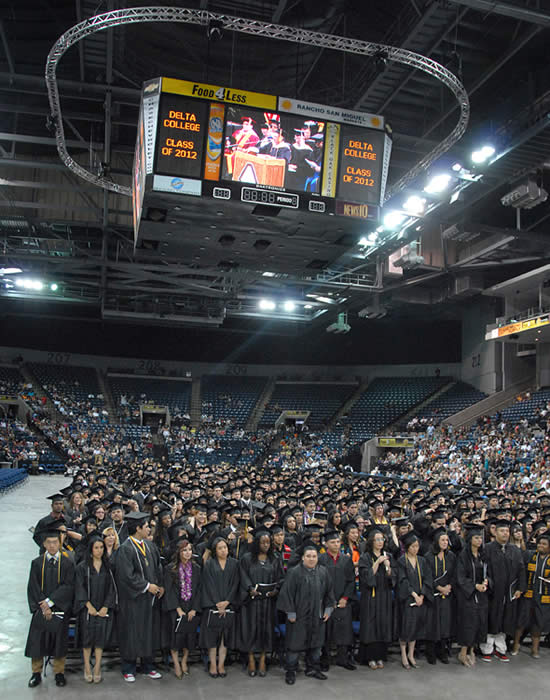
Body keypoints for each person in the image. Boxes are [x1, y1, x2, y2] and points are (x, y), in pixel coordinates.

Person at [115, 512, 164, 683]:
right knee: (132, 632)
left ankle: (148, 665)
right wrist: (146, 586)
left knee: (148, 632)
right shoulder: (125, 549)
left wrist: (160, 585)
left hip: (149, 599)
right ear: (138, 528)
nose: (149, 529)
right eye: (146, 526)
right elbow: (126, 576)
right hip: (133, 600)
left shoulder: (149, 546)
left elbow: (158, 566)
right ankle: (128, 668)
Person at [277, 543, 335, 685]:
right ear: (302, 558)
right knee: (294, 645)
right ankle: (291, 671)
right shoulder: (294, 572)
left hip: (317, 614)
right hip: (298, 616)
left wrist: (328, 609)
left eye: (314, 556)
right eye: (308, 556)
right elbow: (286, 594)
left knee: (316, 645)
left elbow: (330, 592)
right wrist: (290, 612)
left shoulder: (323, 572)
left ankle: (313, 668)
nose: (311, 559)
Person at [25, 527, 75, 688]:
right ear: (44, 544)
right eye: (49, 542)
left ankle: (59, 672)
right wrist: (43, 605)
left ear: (60, 543)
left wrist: (51, 602)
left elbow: (69, 586)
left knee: (60, 642)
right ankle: (36, 673)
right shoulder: (37, 563)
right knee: (37, 641)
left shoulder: (67, 563)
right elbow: (33, 586)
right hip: (41, 609)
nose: (52, 545)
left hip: (59, 608)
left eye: (55, 542)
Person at [239, 529, 284, 677]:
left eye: (268, 542)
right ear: (257, 543)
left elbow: (280, 578)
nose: (266, 545)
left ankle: (263, 659)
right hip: (251, 602)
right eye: (263, 542)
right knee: (250, 630)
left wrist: (275, 590)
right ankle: (251, 659)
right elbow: (243, 576)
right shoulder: (246, 558)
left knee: (266, 631)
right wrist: (249, 588)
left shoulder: (275, 559)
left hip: (267, 602)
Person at [481, 519, 526, 662]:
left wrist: (520, 588)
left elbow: (521, 570)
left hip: (509, 592)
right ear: (495, 532)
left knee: (505, 620)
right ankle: (487, 649)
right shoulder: (487, 548)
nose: (505, 533)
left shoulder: (515, 550)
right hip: (493, 592)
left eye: (507, 531)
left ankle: (501, 649)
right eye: (502, 531)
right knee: (491, 620)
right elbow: (483, 569)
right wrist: (488, 583)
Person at [74, 535, 117, 683]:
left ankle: (97, 666)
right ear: (91, 550)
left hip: (103, 608)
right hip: (88, 609)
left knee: (100, 639)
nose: (99, 550)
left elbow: (112, 588)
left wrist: (106, 606)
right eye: (96, 548)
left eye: (101, 548)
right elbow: (79, 587)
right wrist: (88, 605)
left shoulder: (108, 567)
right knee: (87, 640)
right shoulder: (82, 567)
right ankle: (87, 666)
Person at [200, 536, 240, 678]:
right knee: (212, 637)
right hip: (212, 605)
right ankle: (212, 664)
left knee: (225, 637)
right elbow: (208, 584)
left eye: (225, 547)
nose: (223, 550)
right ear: (215, 550)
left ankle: (221, 664)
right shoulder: (209, 564)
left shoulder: (235, 564)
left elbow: (235, 584)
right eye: (220, 548)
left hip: (228, 605)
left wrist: (227, 601)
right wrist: (218, 603)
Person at [163, 538, 201, 678]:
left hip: (191, 606)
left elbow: (199, 590)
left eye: (190, 550)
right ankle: (176, 663)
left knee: (189, 636)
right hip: (176, 608)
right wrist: (177, 609)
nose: (187, 553)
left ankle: (184, 660)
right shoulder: (170, 569)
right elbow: (169, 590)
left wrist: (194, 609)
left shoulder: (197, 569)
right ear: (178, 552)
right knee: (176, 637)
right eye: (184, 550)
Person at [318, 530, 356, 671]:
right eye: (332, 542)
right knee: (325, 632)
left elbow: (351, 581)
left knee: (344, 631)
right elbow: (319, 581)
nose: (336, 544)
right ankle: (325, 659)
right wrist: (327, 600)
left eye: (338, 542)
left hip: (342, 601)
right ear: (326, 544)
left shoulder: (346, 560)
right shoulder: (321, 559)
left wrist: (345, 598)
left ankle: (343, 659)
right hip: (325, 602)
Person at [358, 527, 395, 669]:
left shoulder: (388, 556)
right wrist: (377, 562)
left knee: (382, 624)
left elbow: (393, 577)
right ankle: (369, 657)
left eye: (382, 539)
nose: (380, 542)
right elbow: (366, 577)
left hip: (384, 594)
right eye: (377, 539)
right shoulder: (365, 557)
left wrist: (389, 567)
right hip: (370, 596)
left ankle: (380, 656)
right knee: (370, 626)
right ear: (371, 541)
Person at [397, 532, 433, 669]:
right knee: (406, 627)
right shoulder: (402, 561)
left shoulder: (422, 561)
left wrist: (422, 595)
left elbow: (427, 579)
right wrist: (414, 595)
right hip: (407, 600)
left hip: (420, 599)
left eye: (417, 546)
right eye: (412, 546)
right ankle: (404, 655)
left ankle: (411, 654)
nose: (415, 549)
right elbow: (402, 580)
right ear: (407, 547)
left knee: (416, 627)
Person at [455, 523, 489, 666]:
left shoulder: (482, 555)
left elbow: (489, 572)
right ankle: (463, 653)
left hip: (481, 596)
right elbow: (460, 577)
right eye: (476, 538)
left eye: (480, 538)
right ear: (469, 539)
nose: (479, 540)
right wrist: (475, 586)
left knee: (478, 623)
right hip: (467, 596)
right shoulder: (463, 555)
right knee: (468, 624)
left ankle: (472, 651)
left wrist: (487, 581)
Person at [512, 532, 550, 658]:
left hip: (543, 597)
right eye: (539, 543)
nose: (541, 546)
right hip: (528, 594)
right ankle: (516, 644)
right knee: (521, 621)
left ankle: (535, 648)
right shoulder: (530, 555)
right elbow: (521, 573)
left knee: (538, 623)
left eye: (544, 544)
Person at [424, 528, 456, 664]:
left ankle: (442, 651)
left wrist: (449, 586)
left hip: (447, 595)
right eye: (442, 540)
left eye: (446, 540)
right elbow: (427, 575)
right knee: (433, 624)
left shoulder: (451, 556)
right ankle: (430, 652)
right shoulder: (428, 557)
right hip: (433, 595)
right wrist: (439, 588)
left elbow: (455, 573)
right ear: (436, 542)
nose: (445, 542)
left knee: (444, 623)